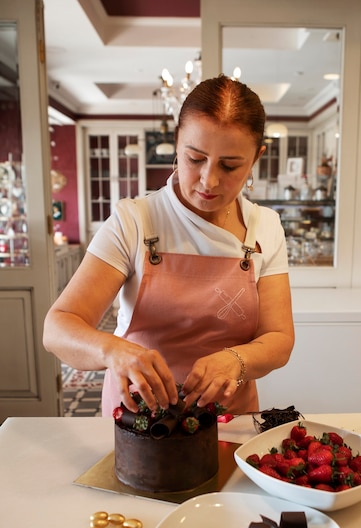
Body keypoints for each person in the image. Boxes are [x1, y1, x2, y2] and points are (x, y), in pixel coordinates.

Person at [43, 75, 295, 416]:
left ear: (256, 158)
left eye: (230, 165)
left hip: (228, 417)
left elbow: (278, 339)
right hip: (137, 417)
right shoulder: (133, 220)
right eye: (195, 158)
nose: (209, 180)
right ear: (177, 143)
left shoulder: (265, 226)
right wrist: (113, 350)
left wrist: (237, 359)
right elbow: (58, 327)